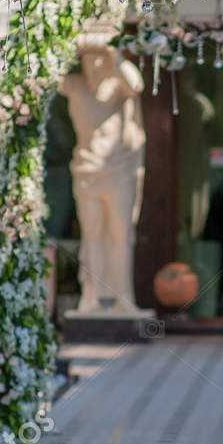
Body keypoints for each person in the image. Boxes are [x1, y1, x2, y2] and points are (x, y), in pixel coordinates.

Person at [58, 31, 150, 316]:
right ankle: (91, 297)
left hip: (119, 171)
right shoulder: (76, 86)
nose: (94, 67)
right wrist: (73, 45)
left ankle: (124, 297)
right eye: (89, 61)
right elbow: (49, 75)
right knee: (92, 235)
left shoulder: (119, 87)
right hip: (87, 170)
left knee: (120, 234)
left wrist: (115, 52)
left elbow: (137, 84)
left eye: (100, 61)